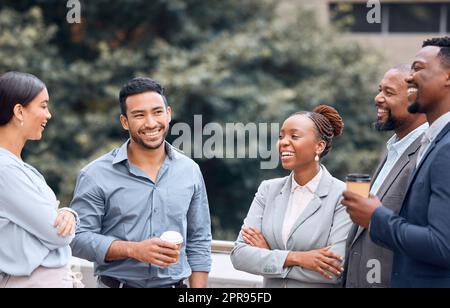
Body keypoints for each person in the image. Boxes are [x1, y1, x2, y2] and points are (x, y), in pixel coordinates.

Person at [70, 77, 212, 288]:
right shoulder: (95, 174)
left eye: (157, 112)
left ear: (169, 114)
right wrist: (133, 249)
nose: (151, 123)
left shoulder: (189, 170)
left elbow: (199, 239)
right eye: (139, 115)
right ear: (125, 121)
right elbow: (77, 239)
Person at [342, 37, 450, 288]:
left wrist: (375, 217)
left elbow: (443, 245)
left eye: (419, 68)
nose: (411, 78)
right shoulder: (430, 143)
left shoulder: (445, 148)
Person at [231, 105, 352, 288]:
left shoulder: (343, 196)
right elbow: (239, 255)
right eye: (281, 136)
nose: (283, 142)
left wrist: (270, 255)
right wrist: (298, 258)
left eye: (294, 136)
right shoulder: (268, 190)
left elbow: (333, 269)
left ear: (319, 146)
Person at [343, 65, 428, 288]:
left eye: (388, 93)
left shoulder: (426, 154)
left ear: (417, 101)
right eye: (380, 90)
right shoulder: (394, 149)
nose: (378, 98)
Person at [0, 71, 79, 288]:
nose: (49, 115)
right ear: (19, 111)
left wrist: (67, 213)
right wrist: (59, 218)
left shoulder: (23, 168)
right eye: (43, 106)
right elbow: (58, 235)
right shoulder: (5, 169)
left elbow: (50, 222)